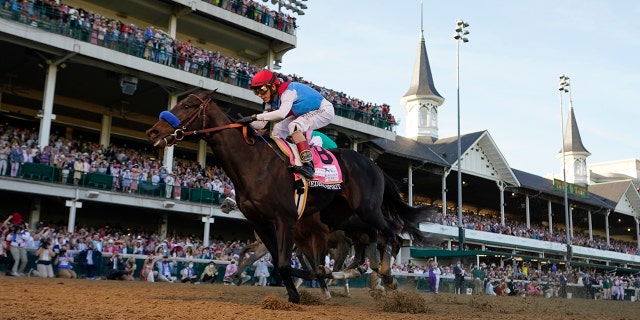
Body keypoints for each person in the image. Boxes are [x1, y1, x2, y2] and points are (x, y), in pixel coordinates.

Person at [238, 69, 335, 179]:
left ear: (273, 87)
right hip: (303, 113)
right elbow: (261, 124)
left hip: (323, 109)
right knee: (277, 129)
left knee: (294, 126)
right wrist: (242, 123)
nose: (260, 95)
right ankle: (279, 160)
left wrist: (253, 117)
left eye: (262, 90)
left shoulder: (287, 91)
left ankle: (308, 165)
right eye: (257, 92)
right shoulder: (270, 101)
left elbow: (281, 114)